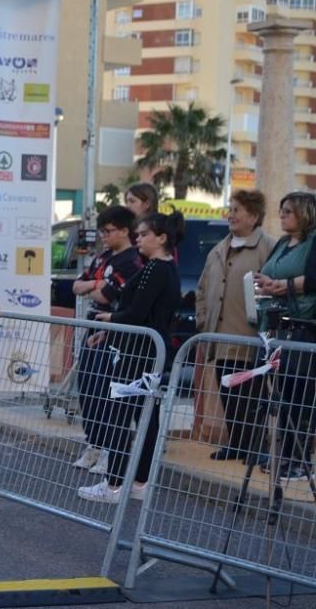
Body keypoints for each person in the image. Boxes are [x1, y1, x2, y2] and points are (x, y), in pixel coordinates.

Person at [79, 212, 185, 503]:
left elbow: (138, 313)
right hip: (144, 348)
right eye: (137, 234)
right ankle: (139, 482)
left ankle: (114, 484)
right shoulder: (160, 267)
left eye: (143, 234)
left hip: (140, 353)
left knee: (121, 416)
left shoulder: (158, 269)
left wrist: (111, 319)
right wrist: (111, 330)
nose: (138, 239)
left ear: (161, 238)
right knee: (143, 416)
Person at [196, 190, 275, 462]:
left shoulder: (268, 247)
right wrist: (202, 322)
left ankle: (256, 448)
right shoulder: (219, 249)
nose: (230, 214)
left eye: (236, 210)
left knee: (251, 397)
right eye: (229, 209)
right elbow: (203, 289)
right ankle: (238, 444)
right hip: (220, 338)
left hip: (249, 338)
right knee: (228, 395)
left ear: (253, 216)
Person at [70, 205, 141, 475]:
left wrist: (97, 288)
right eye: (102, 231)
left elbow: (105, 297)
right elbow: (78, 287)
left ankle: (112, 450)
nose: (104, 236)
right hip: (92, 326)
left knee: (106, 390)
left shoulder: (132, 261)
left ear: (125, 231)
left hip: (113, 330)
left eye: (109, 231)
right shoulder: (102, 258)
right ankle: (94, 443)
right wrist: (95, 285)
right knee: (87, 386)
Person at [255, 192, 316, 480]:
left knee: (300, 395)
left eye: (288, 211)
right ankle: (280, 453)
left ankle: (299, 459)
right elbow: (268, 273)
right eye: (280, 211)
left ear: (304, 214)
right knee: (280, 394)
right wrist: (265, 283)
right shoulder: (281, 243)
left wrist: (280, 285)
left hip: (302, 326)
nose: (281, 216)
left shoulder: (313, 241)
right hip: (275, 324)